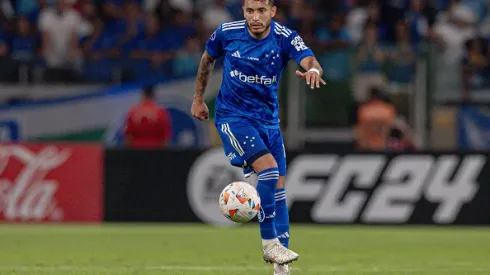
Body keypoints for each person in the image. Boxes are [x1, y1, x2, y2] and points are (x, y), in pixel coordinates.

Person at [190, 1, 326, 274]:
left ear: (272, 12)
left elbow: (309, 59)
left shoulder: (285, 37)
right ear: (243, 11)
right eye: (250, 11)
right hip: (234, 117)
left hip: (269, 122)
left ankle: (281, 269)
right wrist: (198, 99)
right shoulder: (227, 33)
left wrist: (313, 70)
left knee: (278, 190)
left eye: (261, 11)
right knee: (270, 172)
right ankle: (269, 244)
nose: (255, 17)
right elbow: (207, 58)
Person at [356, 86, 396, 151]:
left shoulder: (364, 110)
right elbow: (389, 128)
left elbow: (360, 130)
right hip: (383, 145)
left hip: (366, 146)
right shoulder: (388, 109)